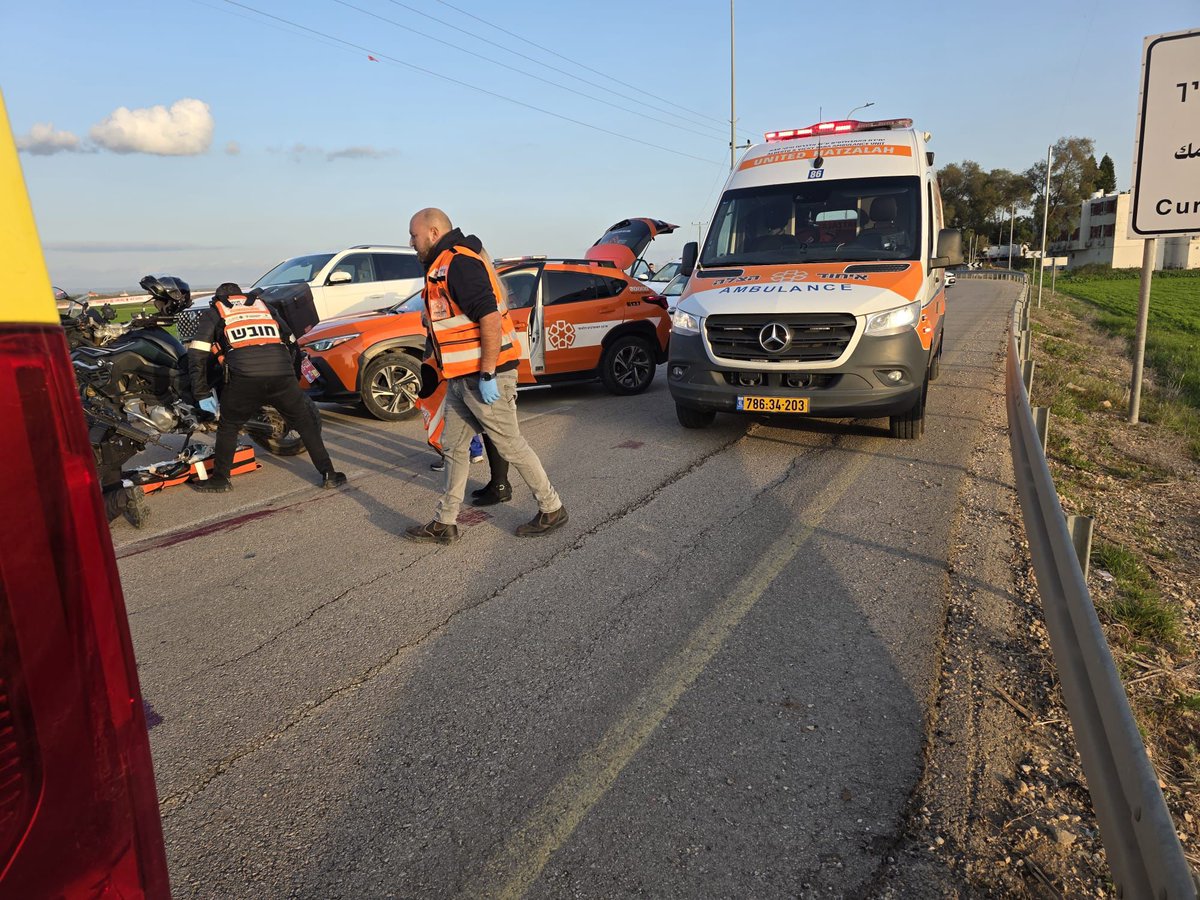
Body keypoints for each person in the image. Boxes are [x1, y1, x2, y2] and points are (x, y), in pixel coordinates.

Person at [404, 208, 566, 543]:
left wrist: (489, 372)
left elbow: (489, 318)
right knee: (453, 447)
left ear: (433, 232)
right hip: (462, 378)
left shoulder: (458, 262)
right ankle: (445, 522)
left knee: (509, 445)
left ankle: (551, 508)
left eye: (414, 235)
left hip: (483, 376)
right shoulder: (442, 265)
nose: (411, 242)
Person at [186, 282, 346, 493]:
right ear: (240, 296)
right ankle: (329, 475)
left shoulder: (216, 310)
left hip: (245, 378)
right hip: (281, 375)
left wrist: (201, 393)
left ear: (218, 298)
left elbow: (197, 353)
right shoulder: (263, 307)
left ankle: (221, 480)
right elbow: (290, 341)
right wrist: (293, 376)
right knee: (305, 424)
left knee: (229, 427)